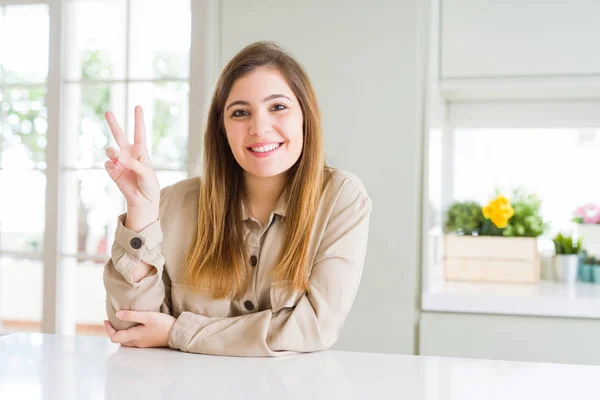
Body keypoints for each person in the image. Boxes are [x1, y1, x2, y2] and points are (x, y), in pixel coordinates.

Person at [102, 41, 372, 357]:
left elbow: (314, 327)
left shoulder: (341, 198)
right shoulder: (173, 203)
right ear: (222, 129)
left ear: (305, 116)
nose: (259, 128)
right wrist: (141, 210)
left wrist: (178, 332)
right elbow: (132, 327)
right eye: (240, 112)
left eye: (278, 107)